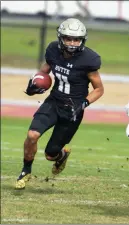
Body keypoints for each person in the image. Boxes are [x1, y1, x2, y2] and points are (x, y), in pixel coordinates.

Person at [15, 18, 104, 190]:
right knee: (32, 135)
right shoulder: (53, 50)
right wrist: (36, 83)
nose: (72, 43)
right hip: (54, 101)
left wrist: (83, 104)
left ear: (82, 40)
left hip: (73, 110)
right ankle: (26, 171)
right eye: (68, 38)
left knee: (50, 154)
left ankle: (61, 154)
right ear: (61, 38)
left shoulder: (89, 59)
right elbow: (44, 71)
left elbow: (99, 89)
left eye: (76, 39)